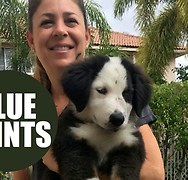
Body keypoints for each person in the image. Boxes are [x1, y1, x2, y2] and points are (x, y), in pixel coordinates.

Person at [13, 0, 165, 179]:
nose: (61, 30)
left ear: (86, 36)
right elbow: (20, 174)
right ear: (31, 39)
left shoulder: (121, 89)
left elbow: (154, 174)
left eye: (71, 21)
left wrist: (58, 160)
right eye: (47, 22)